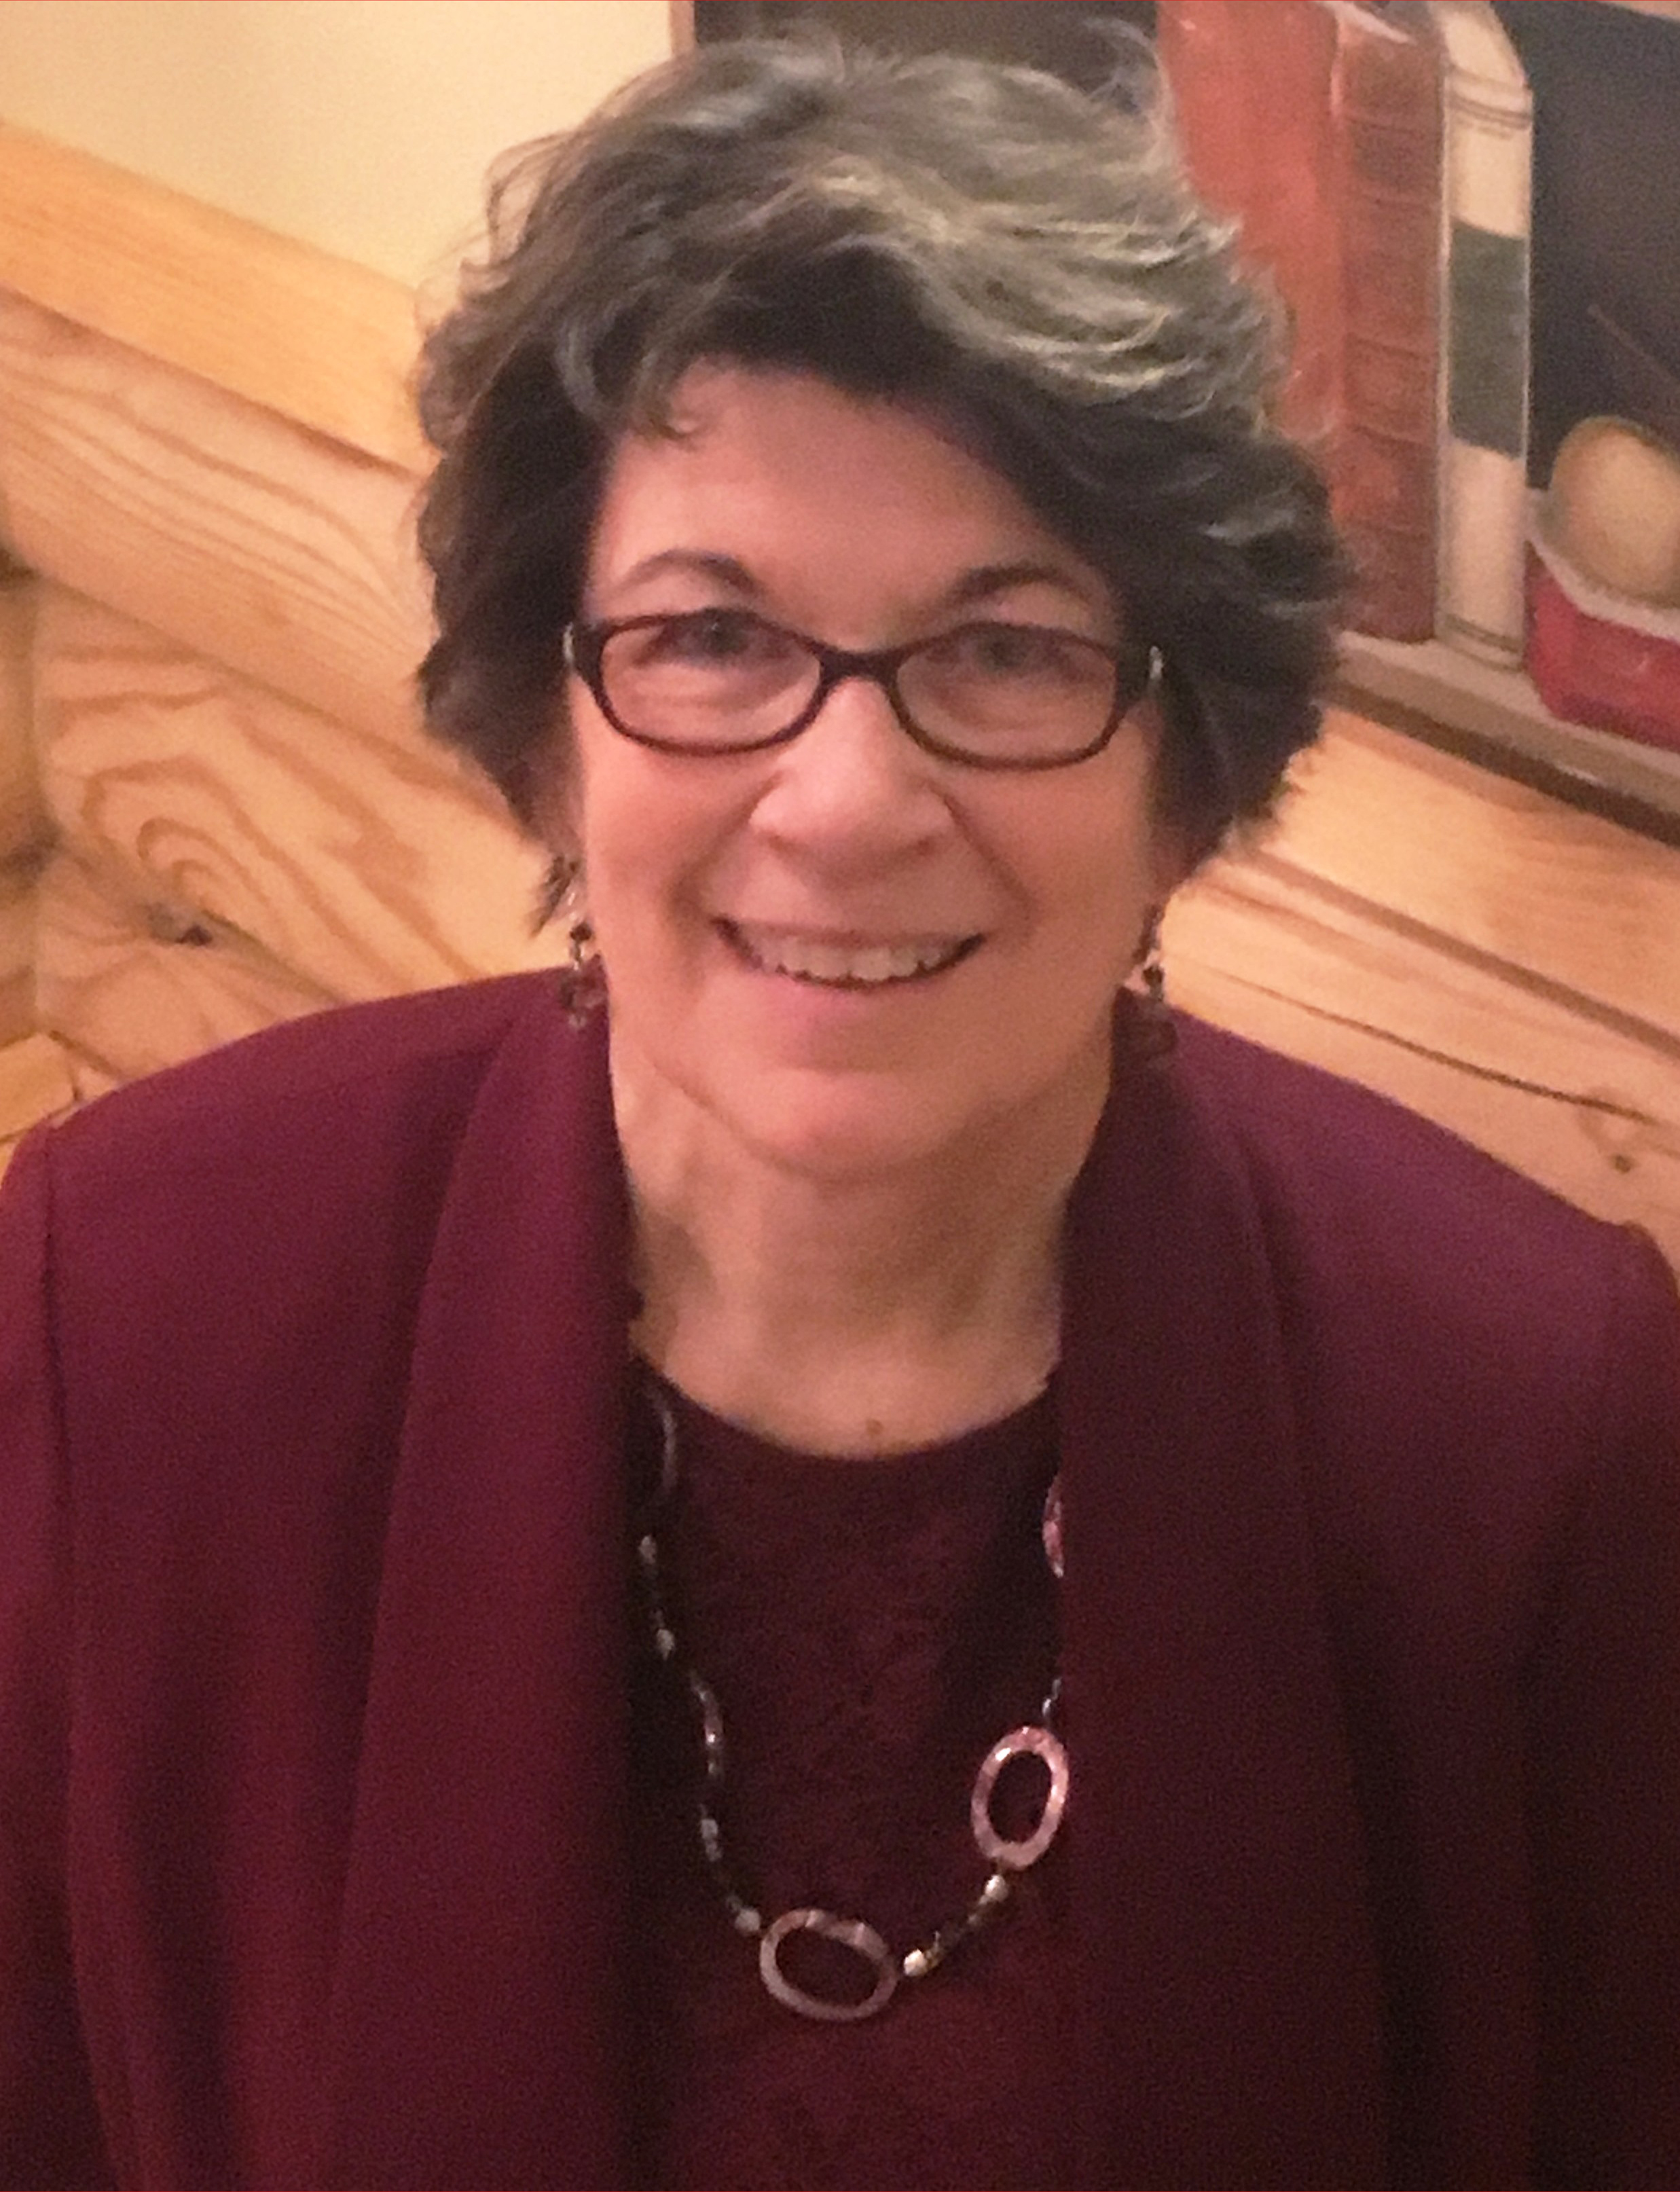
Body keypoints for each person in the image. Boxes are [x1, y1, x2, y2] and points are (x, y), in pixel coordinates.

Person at [1, 33, 1677, 2192]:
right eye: (711, 635)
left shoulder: (1533, 1421)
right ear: (549, 731)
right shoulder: (131, 1309)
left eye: (1007, 650)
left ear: (1184, 769)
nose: (846, 801)